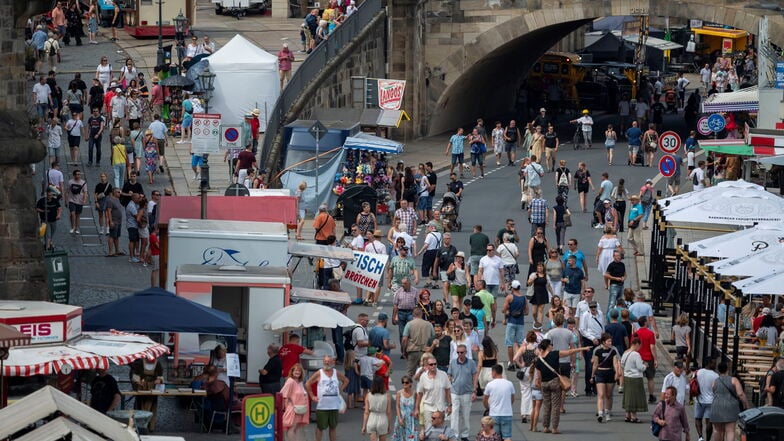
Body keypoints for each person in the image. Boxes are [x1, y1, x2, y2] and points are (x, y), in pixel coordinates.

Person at [534, 339, 589, 434]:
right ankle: (554, 428)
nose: (552, 346)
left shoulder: (539, 360)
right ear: (548, 346)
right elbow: (570, 352)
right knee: (556, 406)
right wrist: (583, 348)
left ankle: (546, 427)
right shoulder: (554, 354)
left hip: (544, 383)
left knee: (546, 406)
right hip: (554, 382)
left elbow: (539, 376)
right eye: (551, 345)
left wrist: (539, 384)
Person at [306, 356, 349, 441]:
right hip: (322, 406)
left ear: (333, 362)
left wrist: (339, 390)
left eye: (328, 361)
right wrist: (312, 396)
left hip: (334, 405)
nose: (326, 363)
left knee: (333, 427)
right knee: (320, 427)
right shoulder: (319, 372)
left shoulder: (336, 372)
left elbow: (346, 381)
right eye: (325, 361)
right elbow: (308, 383)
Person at [710, 361, 748, 441]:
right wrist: (746, 404)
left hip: (716, 406)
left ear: (718, 370)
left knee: (717, 430)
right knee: (730, 431)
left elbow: (713, 391)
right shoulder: (733, 380)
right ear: (727, 370)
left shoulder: (715, 381)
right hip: (730, 407)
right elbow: (740, 394)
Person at [590, 333, 622, 423]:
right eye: (608, 341)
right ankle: (600, 413)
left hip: (610, 372)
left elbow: (615, 363)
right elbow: (595, 364)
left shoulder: (613, 351)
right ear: (603, 342)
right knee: (601, 394)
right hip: (600, 372)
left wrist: (617, 373)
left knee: (608, 395)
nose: (610, 342)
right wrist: (592, 375)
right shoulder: (597, 351)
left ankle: (608, 411)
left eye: (611, 341)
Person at [447, 343, 477, 440]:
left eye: (461, 352)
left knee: (465, 414)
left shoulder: (471, 363)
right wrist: (450, 385)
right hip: (454, 392)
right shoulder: (453, 363)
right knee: (454, 414)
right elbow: (449, 375)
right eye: (458, 352)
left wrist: (474, 390)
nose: (459, 354)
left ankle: (464, 435)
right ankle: (454, 435)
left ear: (466, 352)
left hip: (467, 392)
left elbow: (474, 376)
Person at [415, 355, 452, 429]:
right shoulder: (423, 377)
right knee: (429, 430)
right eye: (431, 364)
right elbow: (420, 394)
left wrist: (450, 405)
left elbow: (447, 391)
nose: (433, 366)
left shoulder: (443, 375)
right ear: (427, 366)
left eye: (435, 364)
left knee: (440, 430)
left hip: (440, 407)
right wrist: (417, 408)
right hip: (428, 407)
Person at [130, 357, 164, 431]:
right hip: (142, 386)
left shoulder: (158, 363)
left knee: (152, 406)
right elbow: (135, 375)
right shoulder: (141, 363)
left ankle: (150, 426)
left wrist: (159, 380)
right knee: (140, 405)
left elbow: (160, 376)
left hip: (153, 387)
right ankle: (140, 426)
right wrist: (138, 381)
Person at [483, 364, 515, 441]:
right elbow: (512, 398)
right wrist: (508, 405)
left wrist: (488, 407)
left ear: (494, 372)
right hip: (507, 413)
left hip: (494, 414)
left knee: (494, 436)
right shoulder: (509, 384)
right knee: (507, 437)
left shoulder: (490, 385)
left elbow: (485, 399)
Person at [502, 280, 528, 371]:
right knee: (520, 343)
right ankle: (519, 362)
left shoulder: (510, 297)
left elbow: (503, 310)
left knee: (510, 344)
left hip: (511, 322)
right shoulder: (524, 298)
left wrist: (509, 311)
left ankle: (511, 363)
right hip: (520, 323)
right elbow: (527, 312)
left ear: (512, 288)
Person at [402, 308, 435, 378]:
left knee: (409, 373)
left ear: (413, 314)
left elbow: (404, 339)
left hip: (412, 351)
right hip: (425, 352)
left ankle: (407, 387)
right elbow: (433, 338)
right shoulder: (429, 324)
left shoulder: (409, 324)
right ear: (422, 314)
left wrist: (403, 350)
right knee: (425, 373)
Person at [280, 363, 309, 441]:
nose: (297, 372)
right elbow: (284, 396)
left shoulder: (300, 382)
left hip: (301, 409)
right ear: (292, 372)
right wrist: (286, 409)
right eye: (295, 370)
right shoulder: (290, 381)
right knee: (292, 428)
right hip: (294, 409)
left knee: (296, 428)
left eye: (299, 371)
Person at [621, 338, 646, 423]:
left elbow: (622, 364)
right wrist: (645, 366)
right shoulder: (636, 354)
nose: (639, 348)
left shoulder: (625, 353)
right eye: (639, 346)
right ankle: (633, 416)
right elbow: (640, 367)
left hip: (627, 376)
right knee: (634, 397)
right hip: (635, 377)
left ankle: (627, 415)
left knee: (628, 396)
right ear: (636, 344)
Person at [363, 376, 392, 441]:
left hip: (372, 418)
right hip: (383, 418)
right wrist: (389, 425)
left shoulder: (368, 395)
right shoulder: (387, 396)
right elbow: (389, 412)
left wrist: (364, 426)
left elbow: (366, 412)